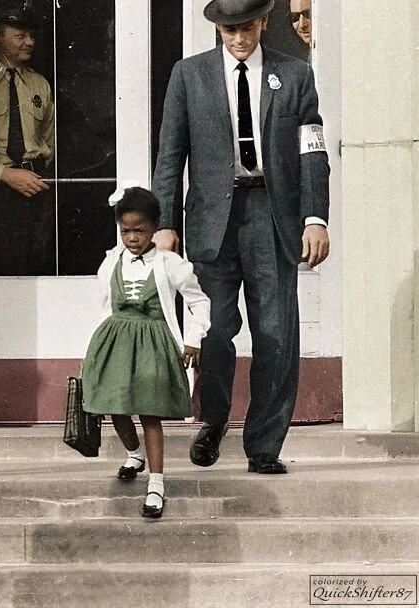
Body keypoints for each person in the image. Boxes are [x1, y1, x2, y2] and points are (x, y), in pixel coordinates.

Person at [152, 0, 330, 474]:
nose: (237, 39)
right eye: (228, 30)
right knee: (214, 328)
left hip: (273, 215)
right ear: (217, 29)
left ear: (263, 23)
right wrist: (165, 224)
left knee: (275, 331)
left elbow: (312, 152)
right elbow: (170, 155)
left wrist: (316, 218)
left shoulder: (294, 75)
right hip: (212, 220)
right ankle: (213, 420)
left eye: (246, 28)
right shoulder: (188, 75)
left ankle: (265, 443)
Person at [82, 187, 210, 518]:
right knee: (116, 406)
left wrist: (194, 338)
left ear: (154, 228)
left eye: (140, 230)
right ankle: (134, 453)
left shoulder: (170, 264)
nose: (133, 238)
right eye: (126, 231)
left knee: (150, 412)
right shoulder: (111, 263)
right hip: (116, 342)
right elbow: (103, 305)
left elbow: (199, 301)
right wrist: (95, 351)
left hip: (154, 344)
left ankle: (156, 484)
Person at [0, 2, 56, 275]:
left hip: (35, 188)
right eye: (20, 36)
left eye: (31, 35)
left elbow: (48, 141)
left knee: (36, 265)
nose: (29, 42)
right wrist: (3, 173)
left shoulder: (39, 84)